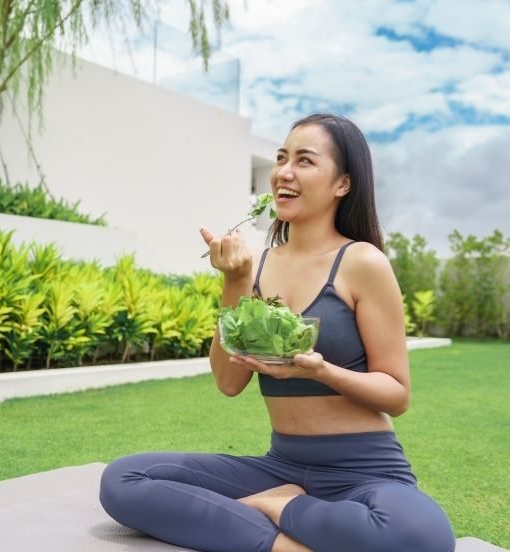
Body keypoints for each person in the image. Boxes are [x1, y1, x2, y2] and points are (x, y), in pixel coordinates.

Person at [99, 113, 455, 552]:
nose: (284, 172)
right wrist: (235, 280)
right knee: (125, 479)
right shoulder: (257, 265)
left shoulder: (362, 262)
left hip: (364, 472)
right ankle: (283, 536)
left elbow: (396, 394)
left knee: (423, 537)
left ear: (342, 183)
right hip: (280, 465)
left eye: (305, 161)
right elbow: (229, 382)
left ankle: (280, 508)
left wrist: (320, 371)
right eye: (282, 158)